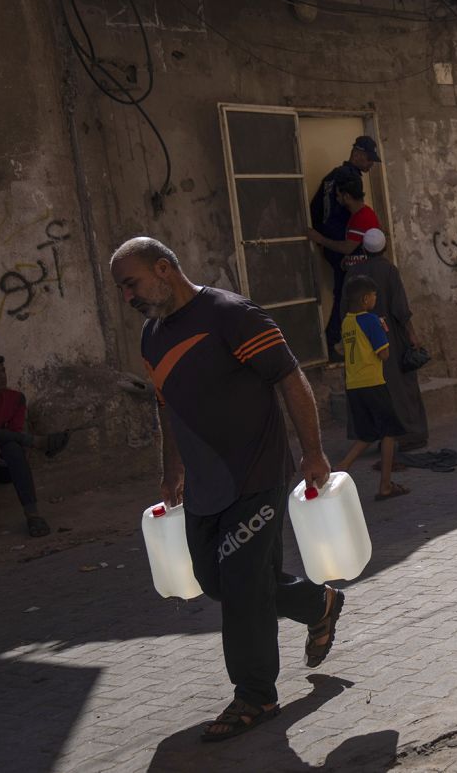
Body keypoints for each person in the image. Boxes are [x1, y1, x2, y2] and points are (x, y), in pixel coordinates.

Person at [109, 236, 343, 743]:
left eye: (132, 284)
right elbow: (166, 406)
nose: (128, 297)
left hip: (256, 477)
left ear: (164, 268)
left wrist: (313, 451)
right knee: (216, 582)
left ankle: (255, 694)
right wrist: (172, 471)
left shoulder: (231, 314)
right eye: (122, 290)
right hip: (205, 485)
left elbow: (289, 377)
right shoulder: (152, 336)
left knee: (240, 589)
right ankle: (318, 605)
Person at [0, 352, 69, 540]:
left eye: (3, 371)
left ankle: (33, 516)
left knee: (12, 447)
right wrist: (31, 440)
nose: (2, 376)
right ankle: (36, 442)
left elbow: (15, 433)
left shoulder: (15, 399)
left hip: (0, 460)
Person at [349, 229, 429, 451]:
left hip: (359, 338)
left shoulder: (353, 273)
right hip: (388, 337)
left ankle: (377, 435)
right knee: (399, 385)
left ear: (364, 249)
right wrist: (412, 334)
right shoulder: (389, 271)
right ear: (384, 248)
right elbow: (400, 309)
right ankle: (406, 434)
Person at [334, 274, 408, 501]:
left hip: (354, 384)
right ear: (366, 299)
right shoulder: (371, 321)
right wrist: (382, 331)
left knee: (366, 434)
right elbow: (384, 354)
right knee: (388, 433)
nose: (376, 299)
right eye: (374, 295)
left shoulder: (347, 321)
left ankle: (340, 469)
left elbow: (340, 349)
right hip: (373, 383)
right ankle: (385, 485)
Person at [308, 136, 379, 352]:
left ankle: (338, 342)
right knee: (352, 294)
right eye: (368, 159)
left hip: (331, 242)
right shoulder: (351, 178)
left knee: (346, 292)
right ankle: (335, 343)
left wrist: (321, 239)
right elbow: (354, 214)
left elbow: (314, 209)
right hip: (344, 244)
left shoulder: (331, 176)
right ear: (357, 154)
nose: (370, 165)